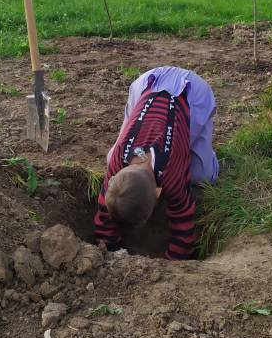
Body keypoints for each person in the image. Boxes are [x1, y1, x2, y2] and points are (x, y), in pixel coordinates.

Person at [94, 66, 219, 261]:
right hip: (147, 83)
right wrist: (108, 246)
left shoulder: (172, 174)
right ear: (113, 178)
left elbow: (183, 220)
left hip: (191, 92)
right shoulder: (117, 161)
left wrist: (173, 262)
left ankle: (208, 154)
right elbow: (104, 213)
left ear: (159, 192)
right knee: (110, 157)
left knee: (202, 174)